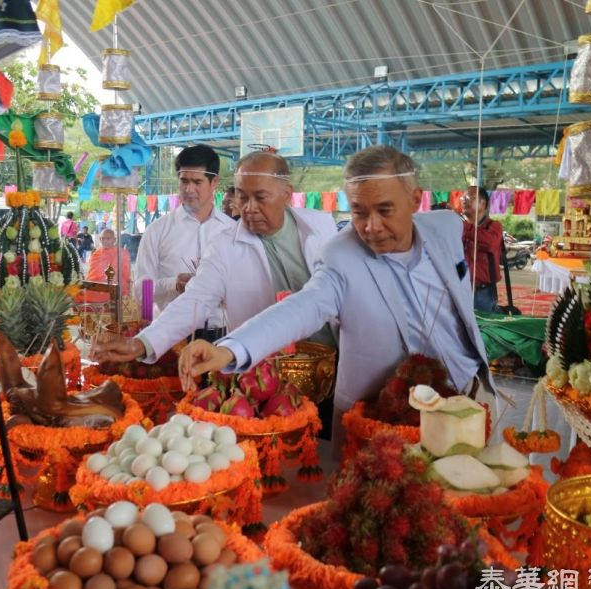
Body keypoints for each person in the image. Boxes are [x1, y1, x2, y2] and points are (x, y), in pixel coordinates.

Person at [177, 146, 494, 451]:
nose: (371, 227)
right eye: (359, 212)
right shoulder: (341, 256)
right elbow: (300, 308)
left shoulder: (446, 227)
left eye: (385, 210)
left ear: (415, 199)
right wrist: (230, 349)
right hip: (384, 420)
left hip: (467, 397)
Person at [93, 150, 337, 367]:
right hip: (259, 368)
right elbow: (193, 299)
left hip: (331, 358)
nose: (248, 208)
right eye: (241, 196)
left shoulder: (322, 226)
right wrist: (142, 343)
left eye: (260, 197)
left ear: (286, 195)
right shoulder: (222, 243)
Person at [133, 145, 235, 321]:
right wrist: (173, 284)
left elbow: (249, 285)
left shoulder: (232, 230)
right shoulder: (157, 231)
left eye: (197, 182)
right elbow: (141, 291)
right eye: (184, 181)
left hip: (222, 335)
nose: (188, 189)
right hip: (170, 336)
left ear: (214, 182)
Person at [461, 186, 503, 313]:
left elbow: (490, 244)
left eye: (468, 197)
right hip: (460, 288)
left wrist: (465, 227)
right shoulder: (460, 226)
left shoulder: (494, 226)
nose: (463, 200)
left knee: (482, 328)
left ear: (482, 203)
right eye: (462, 197)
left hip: (482, 292)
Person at [81, 228, 131, 304]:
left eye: (108, 238)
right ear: (100, 239)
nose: (105, 241)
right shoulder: (96, 253)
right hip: (95, 286)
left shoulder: (121, 253)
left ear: (114, 240)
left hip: (112, 287)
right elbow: (91, 274)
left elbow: (125, 275)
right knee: (75, 293)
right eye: (103, 238)